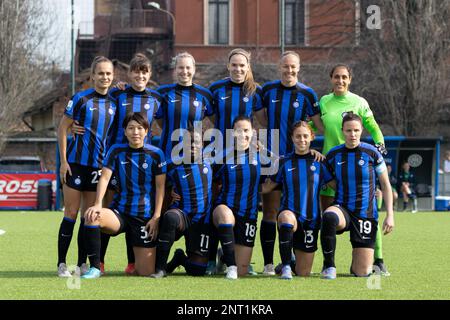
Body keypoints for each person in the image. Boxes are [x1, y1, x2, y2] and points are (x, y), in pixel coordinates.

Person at [255, 51, 324, 275]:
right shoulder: (268, 90)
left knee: (296, 210)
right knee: (270, 211)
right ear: (279, 67)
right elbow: (262, 119)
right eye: (286, 67)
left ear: (299, 68)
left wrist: (310, 148)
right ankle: (267, 264)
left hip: (298, 161)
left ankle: (291, 259)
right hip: (273, 160)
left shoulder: (307, 93)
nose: (289, 71)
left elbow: (318, 126)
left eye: (293, 67)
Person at [318, 64, 390, 275]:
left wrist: (380, 148)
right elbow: (314, 125)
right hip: (331, 167)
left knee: (369, 211)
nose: (340, 81)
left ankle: (378, 258)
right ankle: (327, 263)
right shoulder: (323, 101)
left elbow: (373, 125)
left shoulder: (359, 102)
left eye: (344, 77)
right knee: (328, 216)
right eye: (336, 77)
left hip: (358, 171)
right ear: (331, 79)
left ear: (350, 79)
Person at [82, 112, 166, 278]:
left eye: (140, 128)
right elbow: (104, 178)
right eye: (131, 128)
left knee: (145, 272)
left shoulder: (156, 154)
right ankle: (95, 267)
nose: (135, 132)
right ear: (125, 131)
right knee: (92, 216)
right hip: (120, 213)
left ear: (147, 131)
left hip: (144, 216)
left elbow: (160, 187)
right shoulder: (116, 151)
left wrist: (156, 217)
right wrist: (98, 203)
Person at [100, 53, 162, 276]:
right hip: (117, 160)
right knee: (109, 208)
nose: (140, 75)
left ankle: (132, 262)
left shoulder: (156, 98)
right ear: (130, 73)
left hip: (143, 162)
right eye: (136, 71)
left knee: (136, 208)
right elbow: (102, 112)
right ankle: (100, 261)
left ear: (150, 75)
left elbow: (162, 123)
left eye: (144, 71)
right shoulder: (118, 94)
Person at [56, 56, 116, 277]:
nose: (104, 77)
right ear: (92, 76)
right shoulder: (81, 99)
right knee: (71, 212)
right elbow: (63, 128)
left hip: (97, 168)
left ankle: (82, 263)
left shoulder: (114, 103)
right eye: (100, 73)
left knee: (88, 216)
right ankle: (61, 264)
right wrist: (63, 162)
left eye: (108, 73)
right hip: (75, 165)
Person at [206, 48, 263, 275]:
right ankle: (211, 258)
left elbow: (261, 120)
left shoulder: (254, 90)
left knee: (243, 198)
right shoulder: (216, 89)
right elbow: (211, 116)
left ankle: (230, 256)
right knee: (216, 201)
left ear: (248, 67)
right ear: (228, 66)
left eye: (243, 65)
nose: (238, 69)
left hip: (246, 151)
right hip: (221, 153)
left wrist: (255, 142)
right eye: (234, 65)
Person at [320, 113, 394, 279]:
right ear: (342, 131)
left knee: (362, 272)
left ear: (361, 131)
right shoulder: (334, 154)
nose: (352, 134)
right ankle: (329, 265)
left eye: (356, 130)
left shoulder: (372, 153)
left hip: (365, 214)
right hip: (343, 209)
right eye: (348, 130)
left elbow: (386, 186)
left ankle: (358, 265)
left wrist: (390, 215)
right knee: (329, 216)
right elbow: (328, 178)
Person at [262, 121, 331, 279]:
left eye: (305, 136)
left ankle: (290, 264)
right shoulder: (283, 162)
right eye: (298, 136)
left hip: (311, 220)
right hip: (290, 216)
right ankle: (286, 265)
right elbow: (267, 187)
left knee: (303, 273)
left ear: (312, 137)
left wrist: (371, 189)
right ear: (292, 138)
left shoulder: (320, 162)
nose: (302, 139)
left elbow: (336, 184)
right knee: (285, 217)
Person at [151, 128, 213, 278]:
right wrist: (169, 194)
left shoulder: (212, 163)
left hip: (201, 220)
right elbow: (156, 184)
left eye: (196, 142)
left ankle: (179, 258)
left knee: (197, 271)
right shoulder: (171, 164)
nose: (192, 145)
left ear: (202, 145)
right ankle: (160, 269)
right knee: (171, 217)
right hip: (181, 215)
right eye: (188, 142)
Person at [212, 115, 261, 279]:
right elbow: (205, 178)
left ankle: (225, 255)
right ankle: (230, 266)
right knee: (225, 216)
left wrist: (312, 152)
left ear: (253, 132)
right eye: (238, 131)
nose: (242, 135)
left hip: (248, 214)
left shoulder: (262, 156)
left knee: (243, 272)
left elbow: (279, 175)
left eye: (246, 130)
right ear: (232, 133)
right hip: (226, 208)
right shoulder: (222, 157)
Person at [155, 52, 213, 159]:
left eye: (188, 67)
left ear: (194, 69)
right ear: (175, 69)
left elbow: (217, 120)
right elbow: (159, 120)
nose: (184, 71)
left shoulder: (204, 95)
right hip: (168, 153)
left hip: (194, 154)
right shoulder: (163, 92)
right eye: (181, 67)